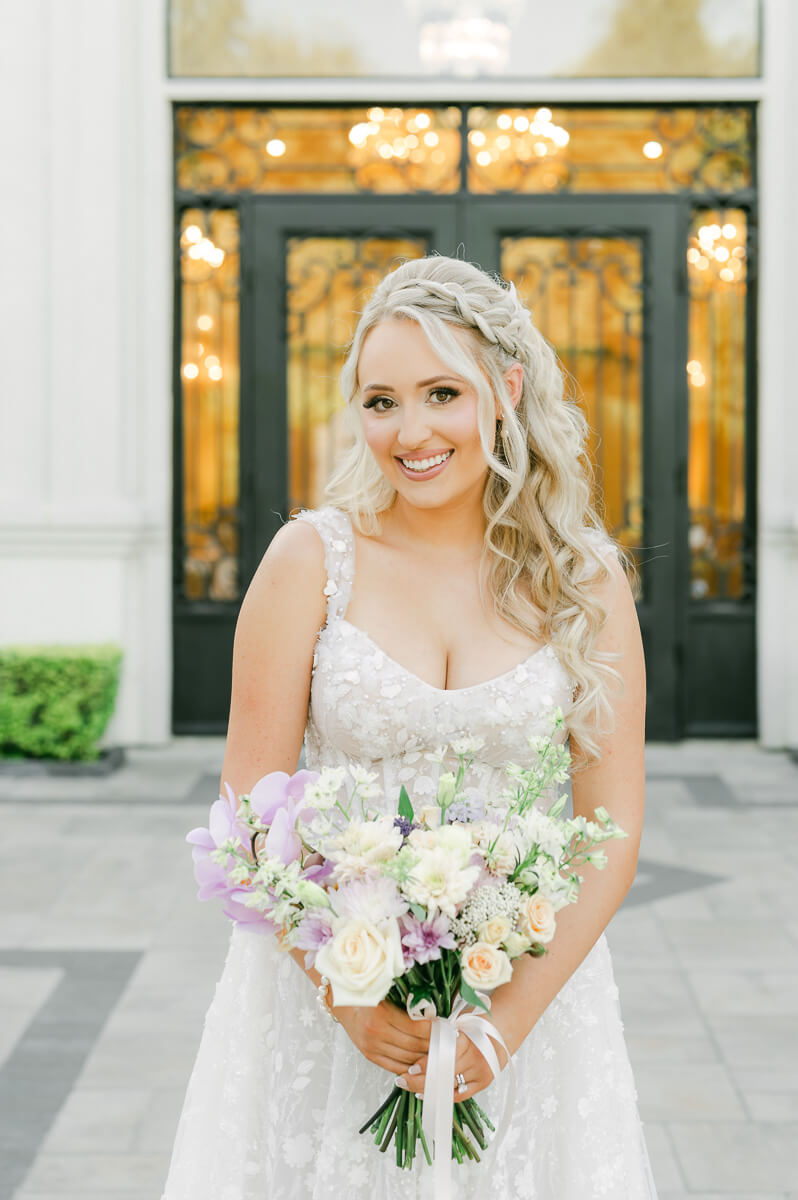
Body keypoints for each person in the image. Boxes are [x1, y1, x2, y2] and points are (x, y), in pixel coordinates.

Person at [161, 255, 658, 1199]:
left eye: (442, 393)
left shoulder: (584, 580)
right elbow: (248, 817)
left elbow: (615, 830)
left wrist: (502, 1023)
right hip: (327, 1006)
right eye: (380, 401)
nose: (412, 430)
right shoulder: (311, 558)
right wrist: (347, 995)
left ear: (505, 392)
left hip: (526, 999)